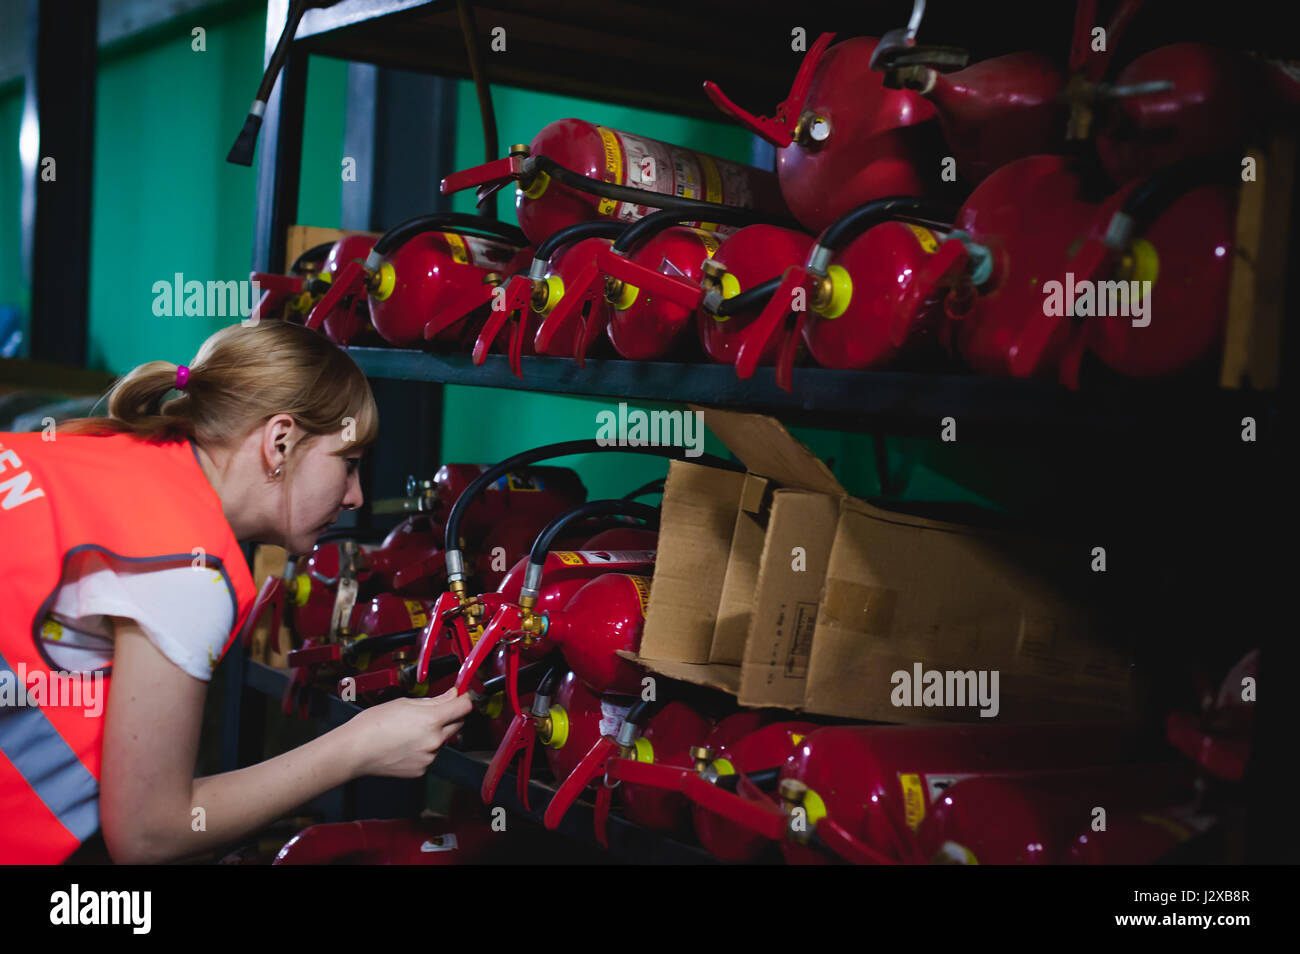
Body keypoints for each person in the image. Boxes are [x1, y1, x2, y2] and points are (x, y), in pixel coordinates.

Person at [0, 320, 473, 864]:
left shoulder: (114, 453)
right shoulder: (185, 564)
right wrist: (357, 747)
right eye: (348, 464)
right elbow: (148, 833)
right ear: (280, 441)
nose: (355, 496)